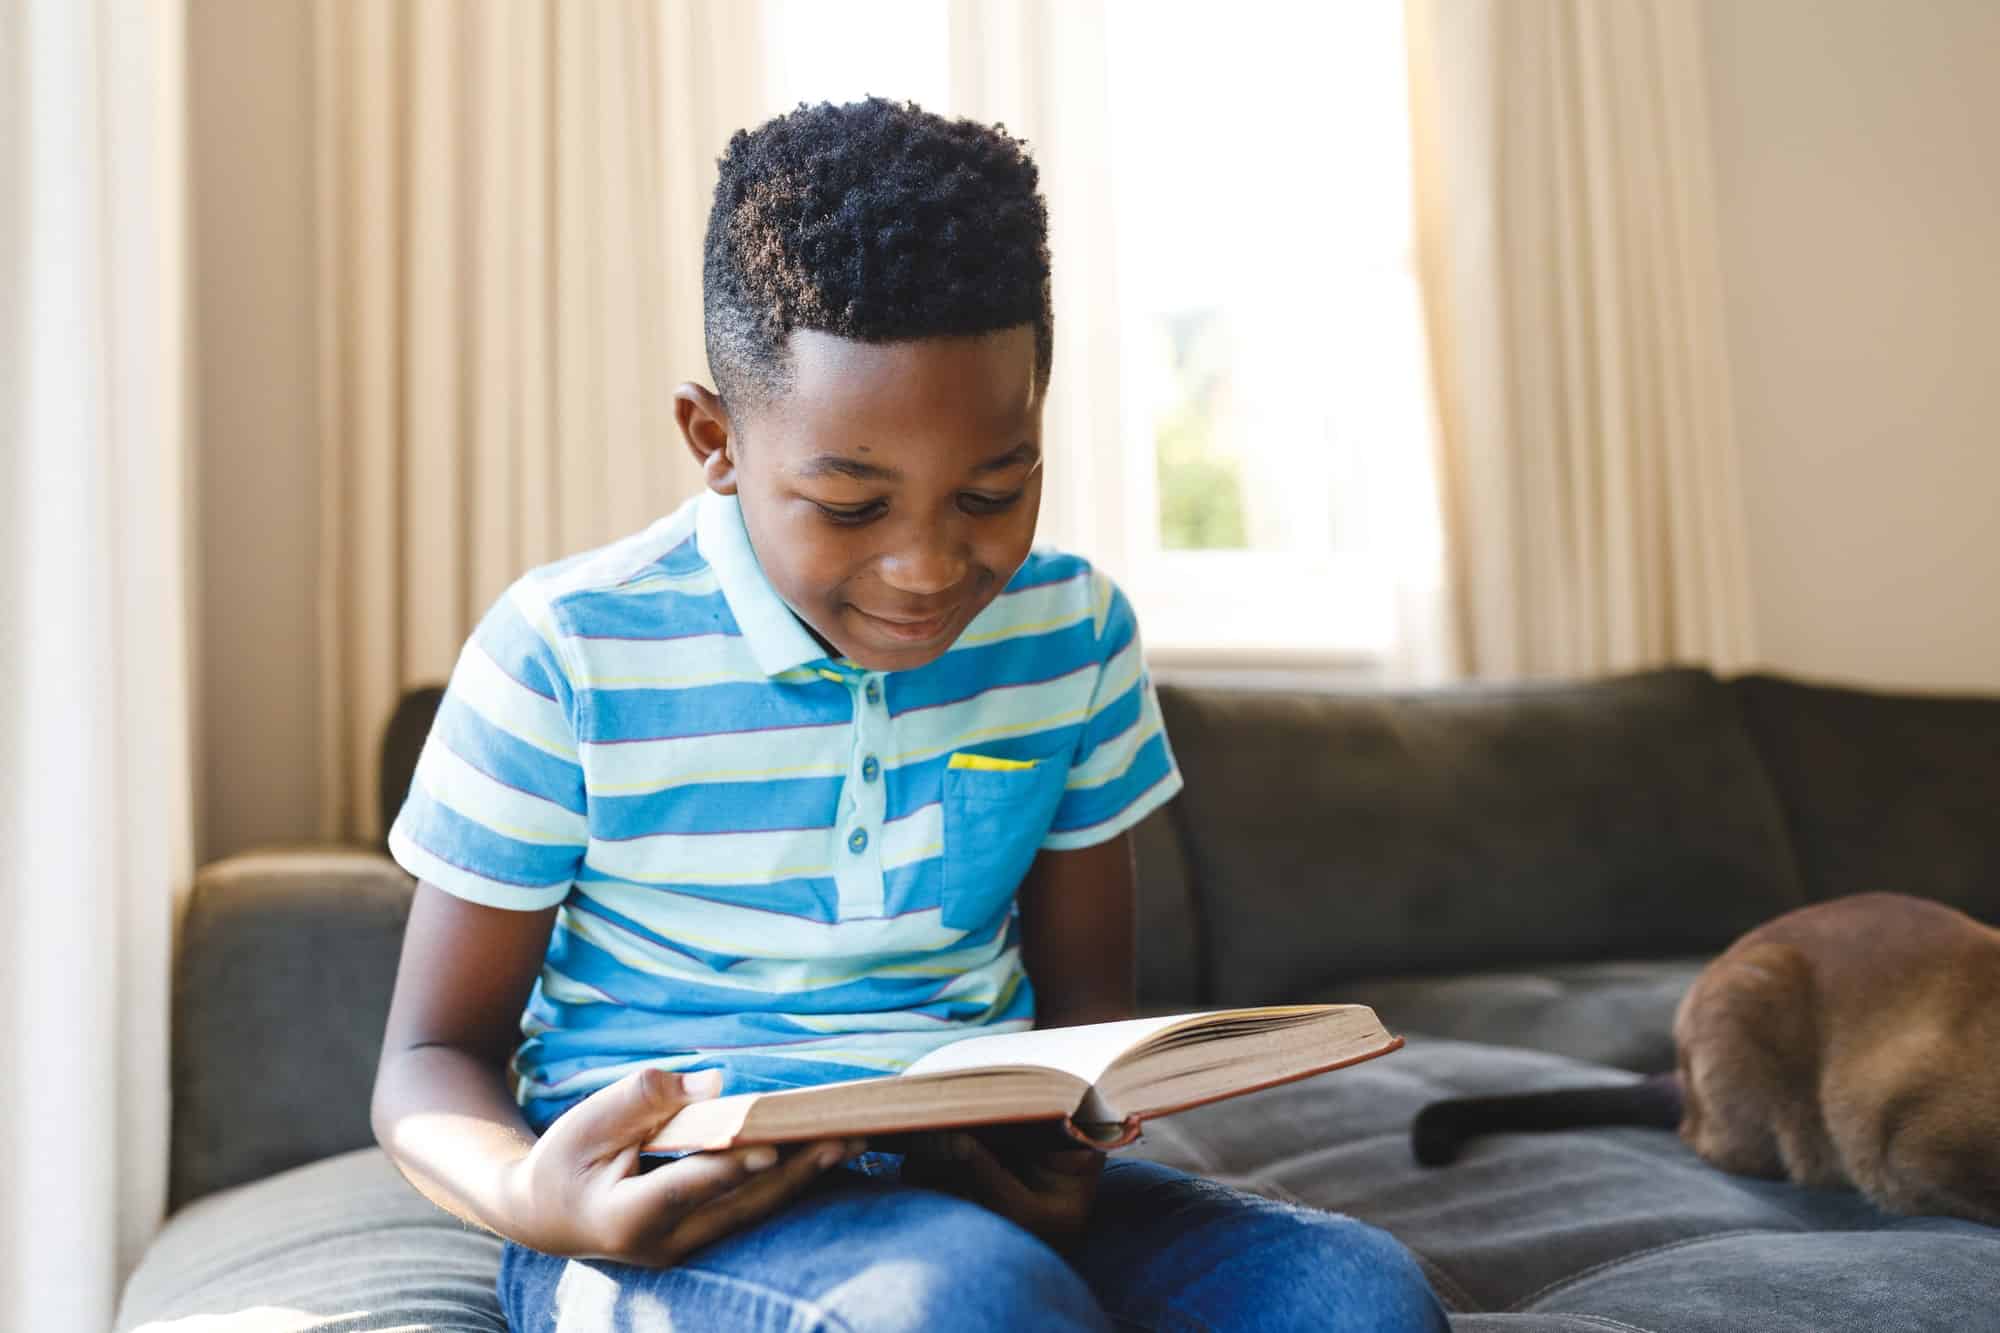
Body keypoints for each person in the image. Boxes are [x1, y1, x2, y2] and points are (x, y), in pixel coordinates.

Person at [373, 97, 1451, 1333]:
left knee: (1354, 1295)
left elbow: (1084, 1014)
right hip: (666, 1213)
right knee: (960, 1302)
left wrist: (1065, 1160)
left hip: (971, 1190)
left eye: (992, 491)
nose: (927, 568)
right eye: (848, 507)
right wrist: (536, 1199)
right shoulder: (566, 650)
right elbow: (427, 1060)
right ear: (714, 439)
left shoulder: (1072, 633)